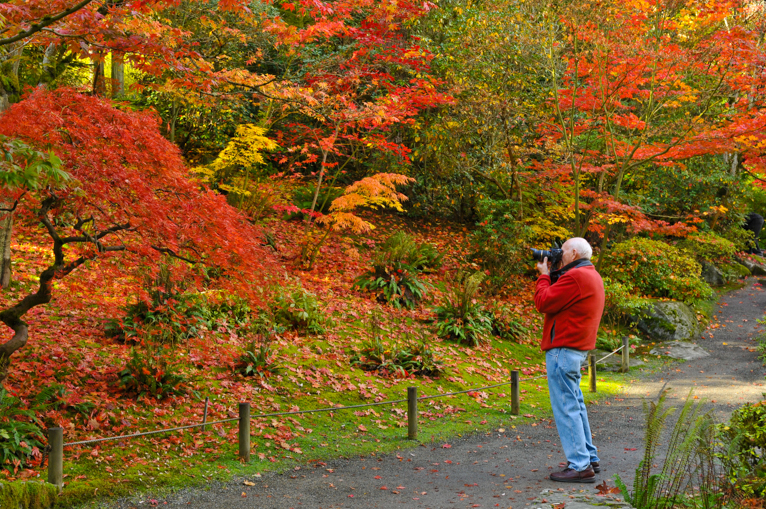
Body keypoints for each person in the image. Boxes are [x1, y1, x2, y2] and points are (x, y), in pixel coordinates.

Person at [533, 237, 604, 483]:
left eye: (561, 251)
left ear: (573, 253)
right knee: (576, 404)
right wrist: (554, 273)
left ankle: (580, 465)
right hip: (574, 349)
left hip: (563, 349)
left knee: (567, 407)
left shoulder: (576, 277)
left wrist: (543, 275)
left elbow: (543, 302)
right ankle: (589, 458)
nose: (557, 254)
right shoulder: (589, 274)